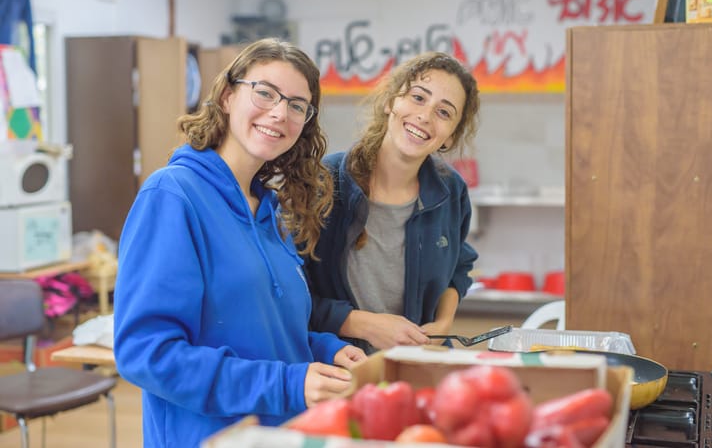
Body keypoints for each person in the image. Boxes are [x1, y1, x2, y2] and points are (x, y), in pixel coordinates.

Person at [113, 38, 367, 447]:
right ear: (228, 96)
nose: (280, 112)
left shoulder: (270, 212)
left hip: (281, 435)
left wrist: (325, 349)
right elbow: (148, 355)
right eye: (265, 92)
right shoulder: (173, 196)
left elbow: (267, 330)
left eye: (297, 105)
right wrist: (287, 383)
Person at [304, 51, 480, 354]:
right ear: (390, 102)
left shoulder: (450, 191)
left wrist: (443, 321)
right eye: (418, 97)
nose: (425, 116)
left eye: (444, 112)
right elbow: (289, 292)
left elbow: (459, 267)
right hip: (336, 369)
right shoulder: (325, 181)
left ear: (450, 136)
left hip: (416, 366)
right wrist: (362, 324)